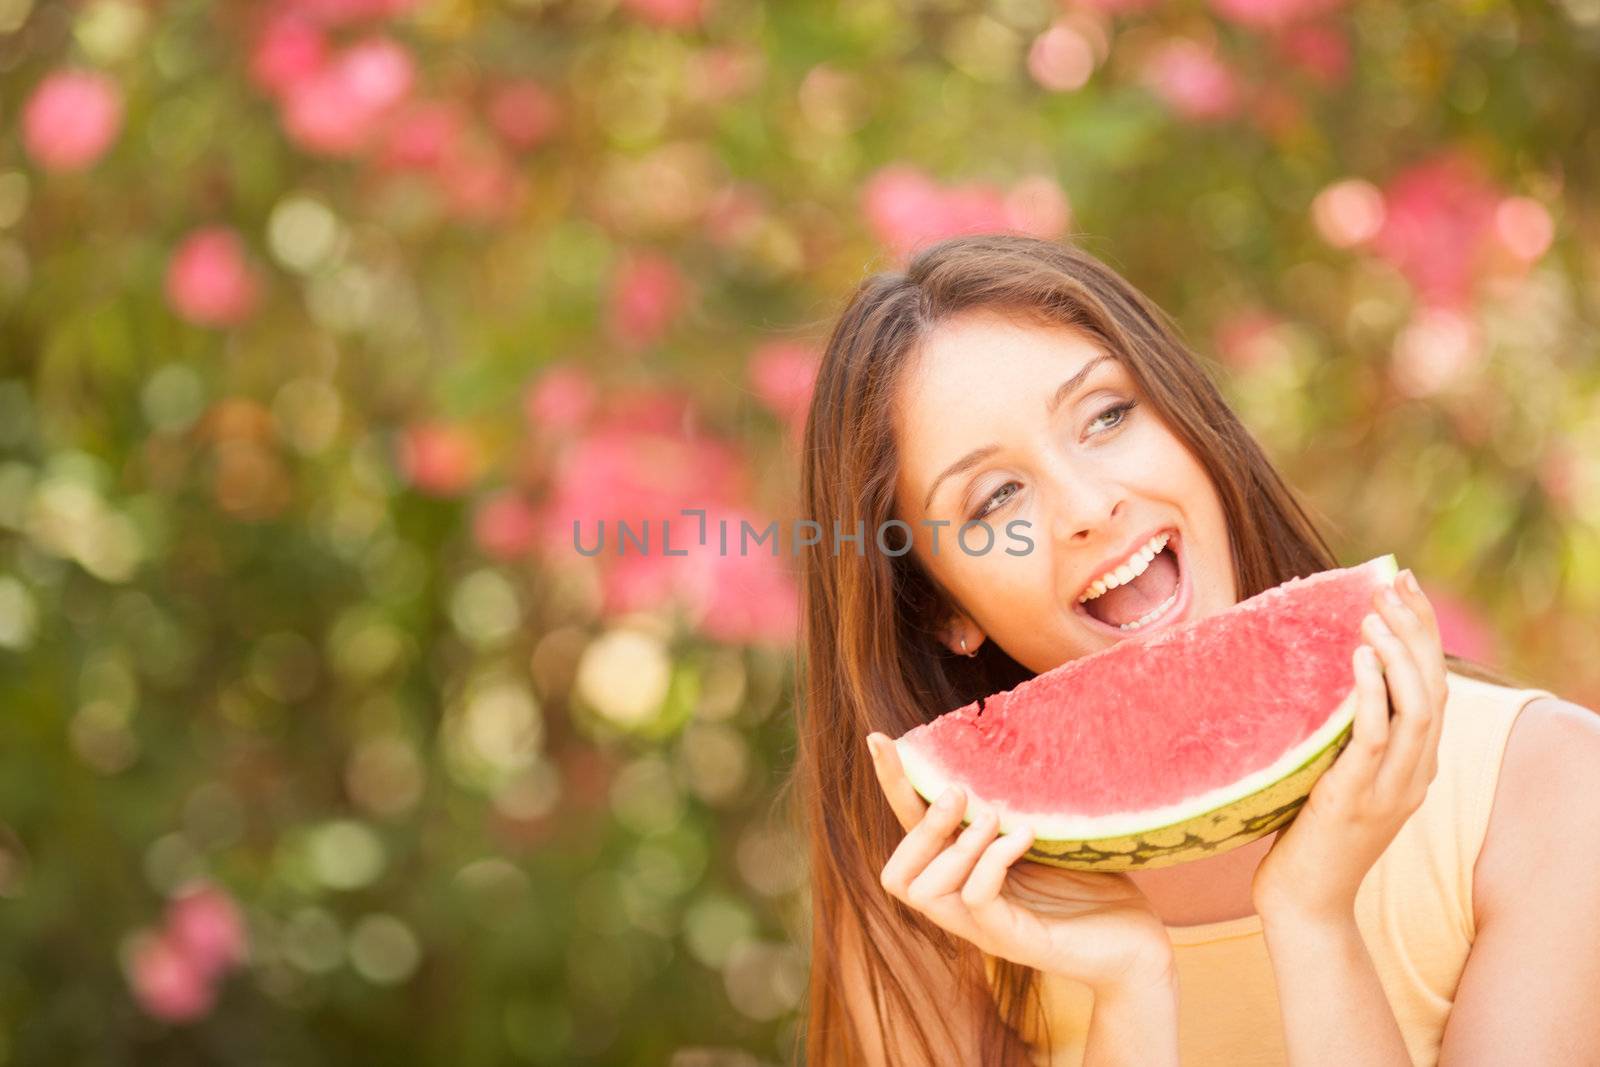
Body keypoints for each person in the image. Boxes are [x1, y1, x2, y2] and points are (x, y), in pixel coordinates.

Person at [791, 233, 1600, 1065]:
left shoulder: (1546, 790)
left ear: (1191, 422)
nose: (1088, 504)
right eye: (996, 498)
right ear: (940, 608)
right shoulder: (940, 900)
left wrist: (1314, 921)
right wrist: (1131, 992)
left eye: (1107, 415)